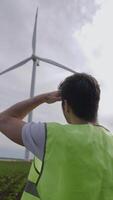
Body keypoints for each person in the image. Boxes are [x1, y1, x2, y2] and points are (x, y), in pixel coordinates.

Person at [0, 72, 113, 200]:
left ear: (66, 106)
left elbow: (4, 119)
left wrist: (43, 98)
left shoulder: (49, 135)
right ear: (96, 104)